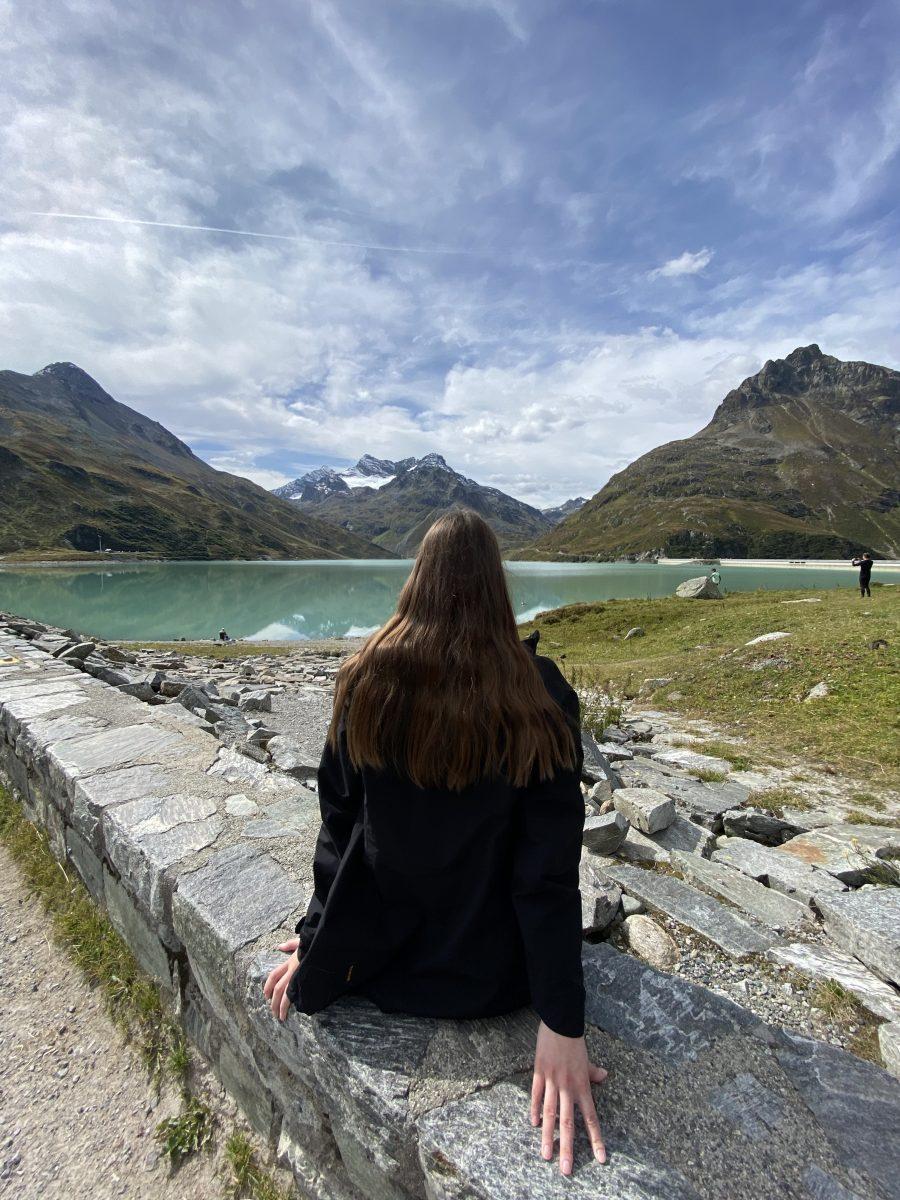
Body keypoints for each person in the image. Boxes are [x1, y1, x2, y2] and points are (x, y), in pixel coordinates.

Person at [262, 510, 608, 1175]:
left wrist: (317, 936)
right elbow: (546, 875)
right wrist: (562, 1023)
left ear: (417, 578)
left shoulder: (364, 678)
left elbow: (339, 828)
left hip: (378, 961)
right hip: (495, 980)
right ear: (495, 585)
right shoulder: (539, 692)